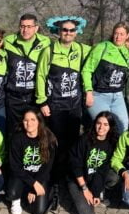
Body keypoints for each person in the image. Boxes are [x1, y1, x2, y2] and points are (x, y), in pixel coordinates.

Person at [36, 16, 90, 181]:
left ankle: (69, 176)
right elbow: (40, 76)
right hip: (55, 105)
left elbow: (102, 52)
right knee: (56, 142)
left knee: (73, 142)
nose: (68, 33)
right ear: (58, 31)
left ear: (76, 32)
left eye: (72, 30)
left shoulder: (82, 49)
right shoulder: (49, 51)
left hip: (74, 106)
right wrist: (42, 101)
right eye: (64, 30)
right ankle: (55, 178)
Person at [2, 14, 50, 143]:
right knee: (13, 132)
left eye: (29, 26)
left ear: (36, 28)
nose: (25, 30)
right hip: (13, 96)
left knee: (37, 132)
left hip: (34, 96)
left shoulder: (45, 42)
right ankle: (13, 161)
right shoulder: (8, 41)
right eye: (22, 26)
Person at [68, 111, 120, 214]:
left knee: (113, 176)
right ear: (94, 124)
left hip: (93, 176)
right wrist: (85, 189)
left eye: (106, 124)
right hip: (78, 179)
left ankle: (100, 191)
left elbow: (102, 170)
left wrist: (95, 193)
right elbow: (75, 166)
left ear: (110, 127)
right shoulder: (84, 139)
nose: (101, 127)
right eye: (98, 123)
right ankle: (72, 193)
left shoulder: (112, 143)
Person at [84, 21, 129, 133]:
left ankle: (118, 151)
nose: (118, 37)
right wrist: (88, 91)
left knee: (123, 127)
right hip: (99, 95)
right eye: (116, 33)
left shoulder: (128, 51)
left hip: (117, 96)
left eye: (121, 34)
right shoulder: (102, 47)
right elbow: (86, 70)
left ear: (127, 35)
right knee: (103, 128)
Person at [6, 108, 57, 214]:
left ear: (39, 121)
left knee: (39, 211)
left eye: (33, 120)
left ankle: (44, 192)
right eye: (26, 120)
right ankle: (16, 199)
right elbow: (15, 167)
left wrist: (35, 188)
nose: (29, 123)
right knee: (12, 192)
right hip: (21, 175)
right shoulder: (17, 138)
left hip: (40, 176)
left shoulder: (49, 139)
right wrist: (33, 184)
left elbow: (47, 167)